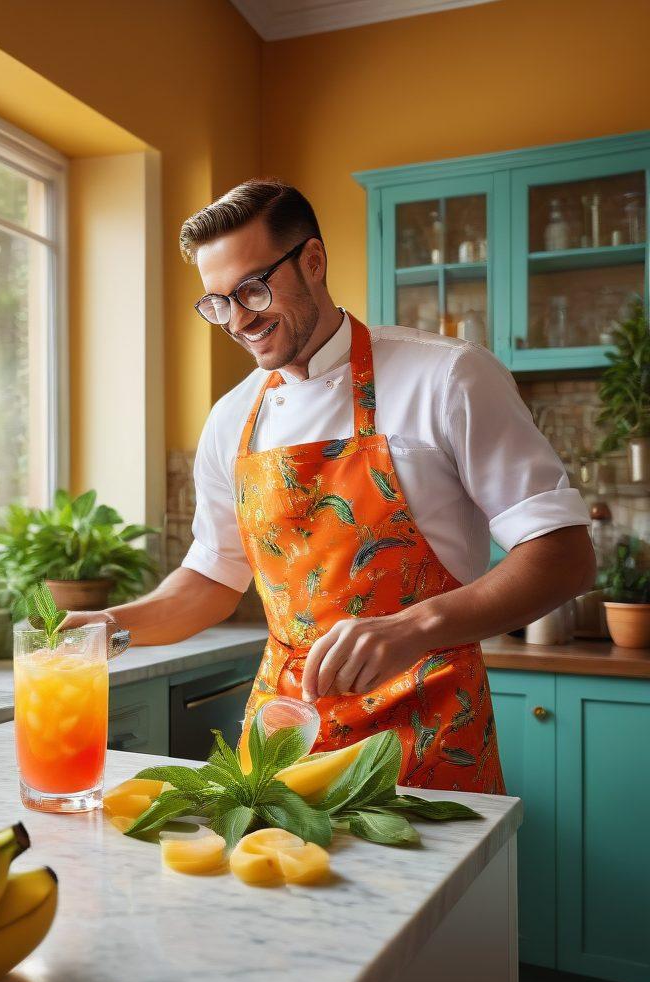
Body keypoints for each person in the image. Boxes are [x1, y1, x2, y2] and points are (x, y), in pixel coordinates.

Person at [65, 179, 595, 793]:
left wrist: (413, 629)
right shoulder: (230, 419)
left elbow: (564, 557)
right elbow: (212, 581)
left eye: (252, 290)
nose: (238, 321)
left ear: (313, 262)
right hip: (281, 747)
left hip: (427, 741)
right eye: (217, 303)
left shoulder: (448, 377)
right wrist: (110, 622)